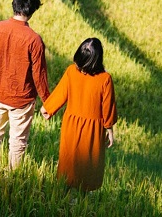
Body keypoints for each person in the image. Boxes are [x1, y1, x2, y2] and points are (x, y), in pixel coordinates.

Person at [0, 0, 50, 169]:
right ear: (34, 9)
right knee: (17, 143)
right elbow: (39, 77)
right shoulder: (34, 40)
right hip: (22, 100)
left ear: (14, 4)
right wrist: (48, 104)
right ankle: (13, 180)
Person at [40, 37, 117, 191]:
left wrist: (48, 108)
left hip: (72, 124)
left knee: (69, 156)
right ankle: (82, 195)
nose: (79, 67)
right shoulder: (105, 79)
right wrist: (109, 129)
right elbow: (108, 107)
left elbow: (61, 92)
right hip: (92, 129)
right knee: (88, 161)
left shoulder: (72, 71)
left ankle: (66, 190)